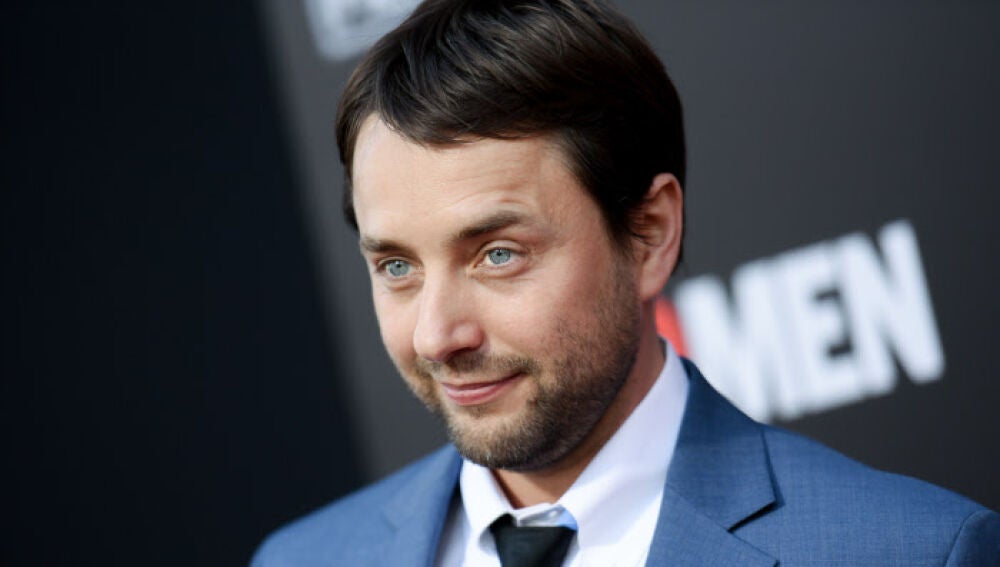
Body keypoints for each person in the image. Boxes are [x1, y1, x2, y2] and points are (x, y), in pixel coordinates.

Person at [252, 0, 1000, 565]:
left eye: (498, 255)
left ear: (649, 234)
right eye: (397, 268)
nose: (437, 335)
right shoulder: (301, 560)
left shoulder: (912, 551)